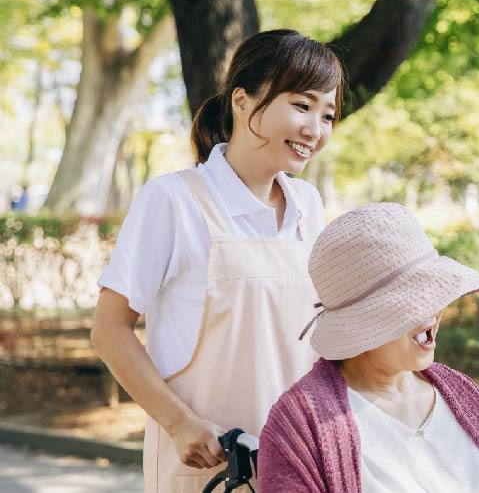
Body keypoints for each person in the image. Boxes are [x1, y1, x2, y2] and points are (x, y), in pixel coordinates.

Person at [91, 29, 344, 492]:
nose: (316, 129)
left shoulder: (309, 203)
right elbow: (109, 329)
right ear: (243, 101)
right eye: (302, 106)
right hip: (211, 466)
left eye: (328, 114)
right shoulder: (173, 200)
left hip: (303, 461)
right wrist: (180, 423)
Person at [258, 203, 479, 492]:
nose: (432, 314)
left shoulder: (460, 392)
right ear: (360, 320)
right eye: (412, 302)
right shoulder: (300, 427)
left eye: (433, 295)